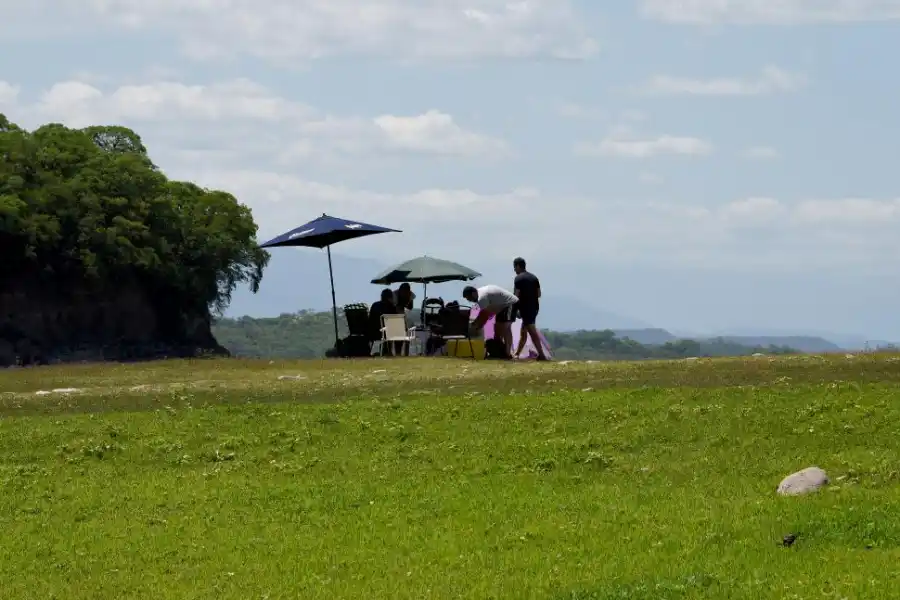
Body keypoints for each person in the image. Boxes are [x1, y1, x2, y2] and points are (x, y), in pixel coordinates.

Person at [462, 284, 518, 357]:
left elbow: (484, 315)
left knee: (502, 330)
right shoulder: (480, 294)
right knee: (503, 330)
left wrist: (476, 327)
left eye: (469, 298)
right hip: (501, 306)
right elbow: (486, 313)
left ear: (473, 293)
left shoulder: (482, 298)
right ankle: (505, 353)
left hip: (510, 303)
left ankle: (504, 353)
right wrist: (477, 323)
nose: (469, 301)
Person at [512, 257, 547, 360]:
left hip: (525, 308)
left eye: (515, 267)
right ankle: (517, 354)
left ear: (518, 266)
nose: (514, 270)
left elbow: (516, 296)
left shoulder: (518, 279)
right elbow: (539, 294)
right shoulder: (534, 278)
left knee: (532, 332)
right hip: (534, 308)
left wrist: (515, 309)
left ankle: (542, 354)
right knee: (524, 331)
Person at [368, 288, 396, 356]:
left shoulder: (375, 305)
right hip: (386, 333)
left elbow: (370, 319)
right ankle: (389, 352)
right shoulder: (391, 307)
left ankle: (380, 351)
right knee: (390, 331)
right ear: (390, 298)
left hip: (373, 332)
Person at [392, 283, 416, 355]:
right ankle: (398, 353)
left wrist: (408, 300)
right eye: (403, 292)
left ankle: (403, 353)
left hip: (401, 317)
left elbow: (410, 307)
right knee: (399, 337)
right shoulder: (394, 295)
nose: (404, 294)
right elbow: (395, 307)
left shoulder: (410, 295)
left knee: (404, 335)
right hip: (395, 317)